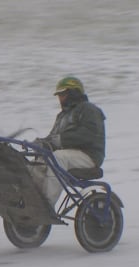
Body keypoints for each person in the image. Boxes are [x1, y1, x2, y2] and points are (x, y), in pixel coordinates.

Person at [32, 76, 106, 207]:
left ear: (74, 93)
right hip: (69, 155)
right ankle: (32, 200)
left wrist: (59, 141)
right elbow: (52, 138)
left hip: (89, 156)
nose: (60, 98)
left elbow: (88, 135)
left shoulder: (89, 109)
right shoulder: (62, 116)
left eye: (63, 94)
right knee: (39, 161)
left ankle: (47, 205)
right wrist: (41, 143)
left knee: (59, 157)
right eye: (59, 95)